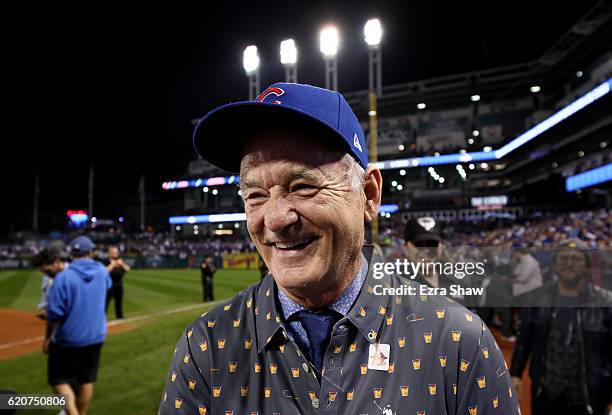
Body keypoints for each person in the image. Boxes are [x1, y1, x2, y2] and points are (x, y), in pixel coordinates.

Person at [159, 83, 520, 414]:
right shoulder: (205, 347)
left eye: (302, 186)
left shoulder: (458, 340)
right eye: (255, 195)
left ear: (368, 195)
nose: (275, 218)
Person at [510, 238, 612, 415]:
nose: (569, 263)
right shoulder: (536, 298)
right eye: (563, 258)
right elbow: (524, 340)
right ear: (555, 265)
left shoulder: (605, 302)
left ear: (586, 266)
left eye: (576, 259)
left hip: (590, 397)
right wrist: (516, 373)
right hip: (546, 394)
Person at [45, 236, 112, 415]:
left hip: (68, 338)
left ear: (72, 254)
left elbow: (54, 314)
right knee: (86, 380)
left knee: (58, 380)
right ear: (90, 252)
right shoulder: (102, 271)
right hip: (96, 336)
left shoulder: (63, 277)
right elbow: (107, 286)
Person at [31, 248, 66, 320]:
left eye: (47, 271)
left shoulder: (73, 273)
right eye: (43, 272)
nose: (46, 274)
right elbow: (45, 297)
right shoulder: (47, 278)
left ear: (57, 262)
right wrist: (43, 309)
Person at [104, 246, 130, 319]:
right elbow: (104, 271)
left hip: (119, 284)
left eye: (116, 252)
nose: (116, 254)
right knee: (106, 302)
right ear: (110, 253)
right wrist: (112, 264)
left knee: (119, 301)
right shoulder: (106, 261)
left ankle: (119, 316)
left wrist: (122, 264)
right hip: (109, 285)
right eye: (114, 252)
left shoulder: (120, 260)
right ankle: (102, 317)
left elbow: (128, 269)